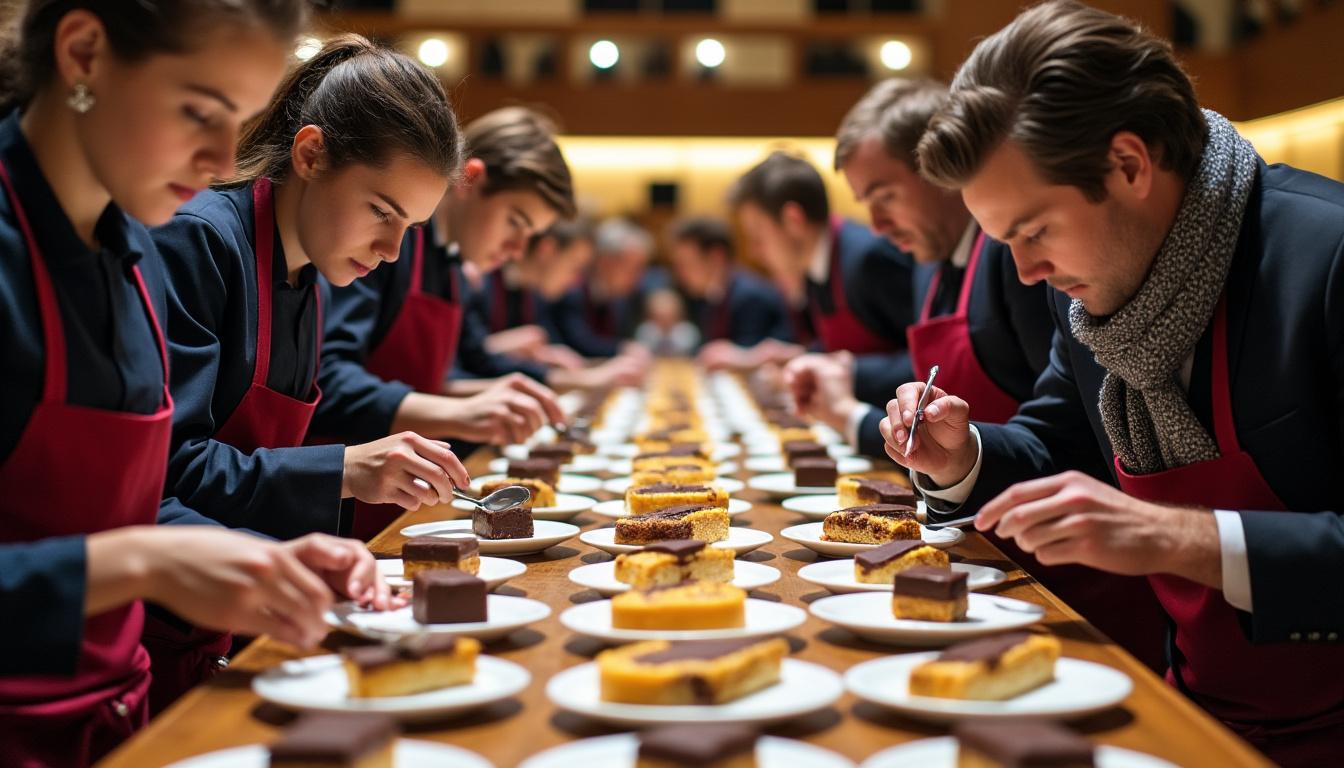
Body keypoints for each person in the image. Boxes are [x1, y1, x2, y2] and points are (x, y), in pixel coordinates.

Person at [882, 2, 1344, 763]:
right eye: (1006, 243)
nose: (1026, 271)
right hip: (1194, 715)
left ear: (1129, 165)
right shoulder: (1086, 289)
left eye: (1034, 232)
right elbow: (1053, 443)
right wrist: (957, 458)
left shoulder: (1324, 259)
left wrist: (1177, 536)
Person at [0, 2, 388, 764]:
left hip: (113, 720)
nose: (222, 159)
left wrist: (252, 556)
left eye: (238, 120)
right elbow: (123, 546)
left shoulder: (132, 252)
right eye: (199, 112)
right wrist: (143, 562)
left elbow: (143, 502)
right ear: (83, 53)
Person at [148, 34, 472, 709]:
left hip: (235, 615)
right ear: (310, 153)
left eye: (409, 227)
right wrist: (345, 468)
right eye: (382, 212)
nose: (389, 252)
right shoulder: (202, 239)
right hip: (160, 627)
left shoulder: (310, 272)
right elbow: (166, 473)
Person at [714, 150, 916, 402]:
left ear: (793, 220)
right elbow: (843, 345)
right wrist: (798, 357)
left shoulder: (868, 257)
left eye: (757, 236)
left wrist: (842, 370)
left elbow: (927, 360)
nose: (754, 252)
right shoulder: (817, 265)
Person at [665, 215, 793, 349]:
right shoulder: (712, 296)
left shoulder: (750, 297)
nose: (679, 273)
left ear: (716, 257)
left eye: (686, 263)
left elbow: (752, 353)